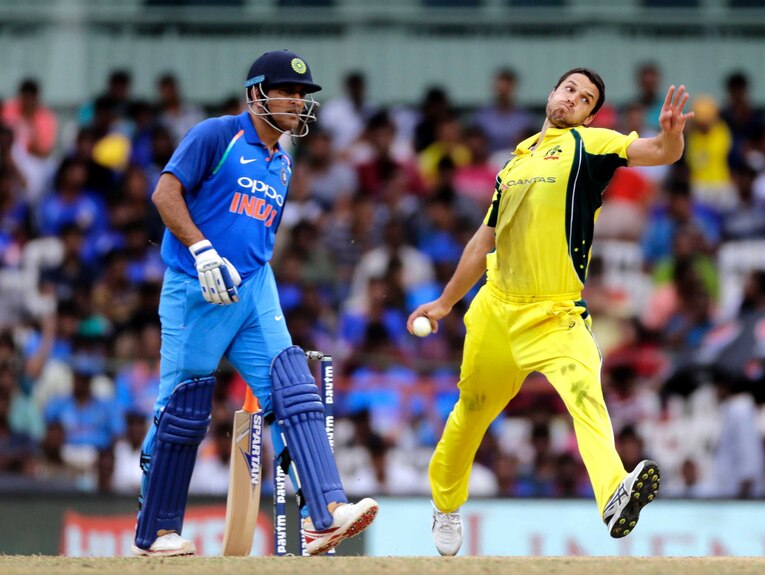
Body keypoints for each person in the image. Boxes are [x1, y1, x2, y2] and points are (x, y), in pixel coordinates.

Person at [407, 68, 693, 556]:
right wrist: (446, 302)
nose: (574, 99)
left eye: (586, 99)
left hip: (556, 314)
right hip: (497, 310)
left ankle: (613, 494)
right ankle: (446, 503)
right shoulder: (515, 161)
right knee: (470, 415)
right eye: (570, 89)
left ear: (589, 114)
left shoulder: (590, 145)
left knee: (586, 395)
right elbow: (484, 240)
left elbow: (656, 153)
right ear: (552, 93)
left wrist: (670, 139)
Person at [132, 49, 378, 557]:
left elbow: (256, 235)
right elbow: (164, 193)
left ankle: (325, 515)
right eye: (286, 91)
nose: (296, 101)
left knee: (294, 389)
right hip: (194, 289)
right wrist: (202, 251)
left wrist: (249, 278)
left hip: (254, 288)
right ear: (256, 94)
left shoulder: (283, 163)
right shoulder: (217, 135)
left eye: (303, 95)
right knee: (182, 410)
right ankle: (154, 532)